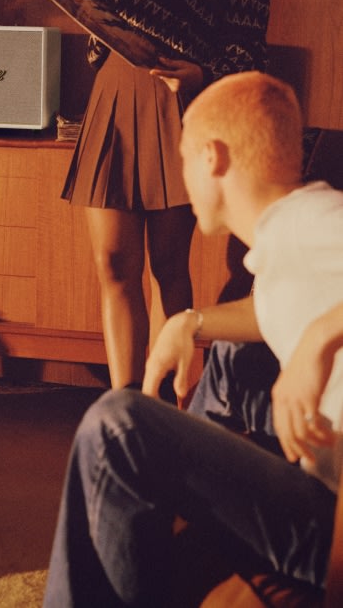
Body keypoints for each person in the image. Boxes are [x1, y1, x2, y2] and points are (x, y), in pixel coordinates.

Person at [43, 72, 343, 606]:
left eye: (182, 158)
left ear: (212, 158)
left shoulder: (314, 222)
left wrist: (321, 339)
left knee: (117, 424)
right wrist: (191, 322)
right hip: (313, 490)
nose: (181, 179)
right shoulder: (291, 240)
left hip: (323, 517)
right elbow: (276, 306)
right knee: (229, 358)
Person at [53, 0, 270, 389]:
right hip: (115, 100)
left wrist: (203, 76)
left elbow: (248, 50)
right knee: (112, 264)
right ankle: (126, 402)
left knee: (169, 267)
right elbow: (112, 10)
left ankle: (168, 405)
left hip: (182, 110)